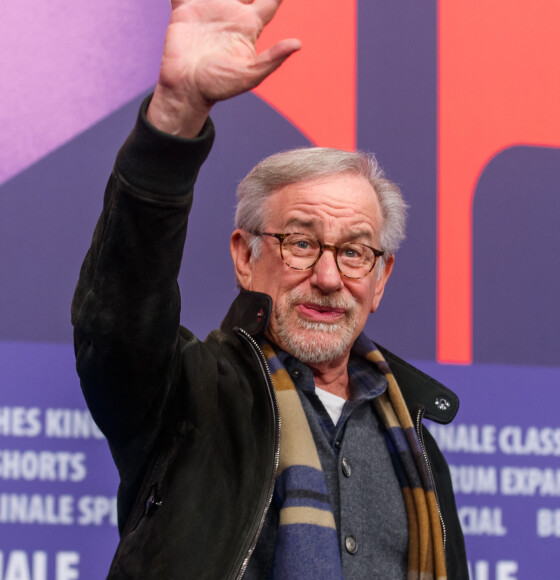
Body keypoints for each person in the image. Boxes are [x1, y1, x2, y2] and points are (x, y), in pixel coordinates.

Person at [72, 0, 468, 578]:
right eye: (301, 243)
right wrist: (176, 115)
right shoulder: (186, 397)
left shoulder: (418, 443)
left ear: (380, 279)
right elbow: (118, 319)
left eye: (354, 252)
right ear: (245, 255)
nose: (329, 278)